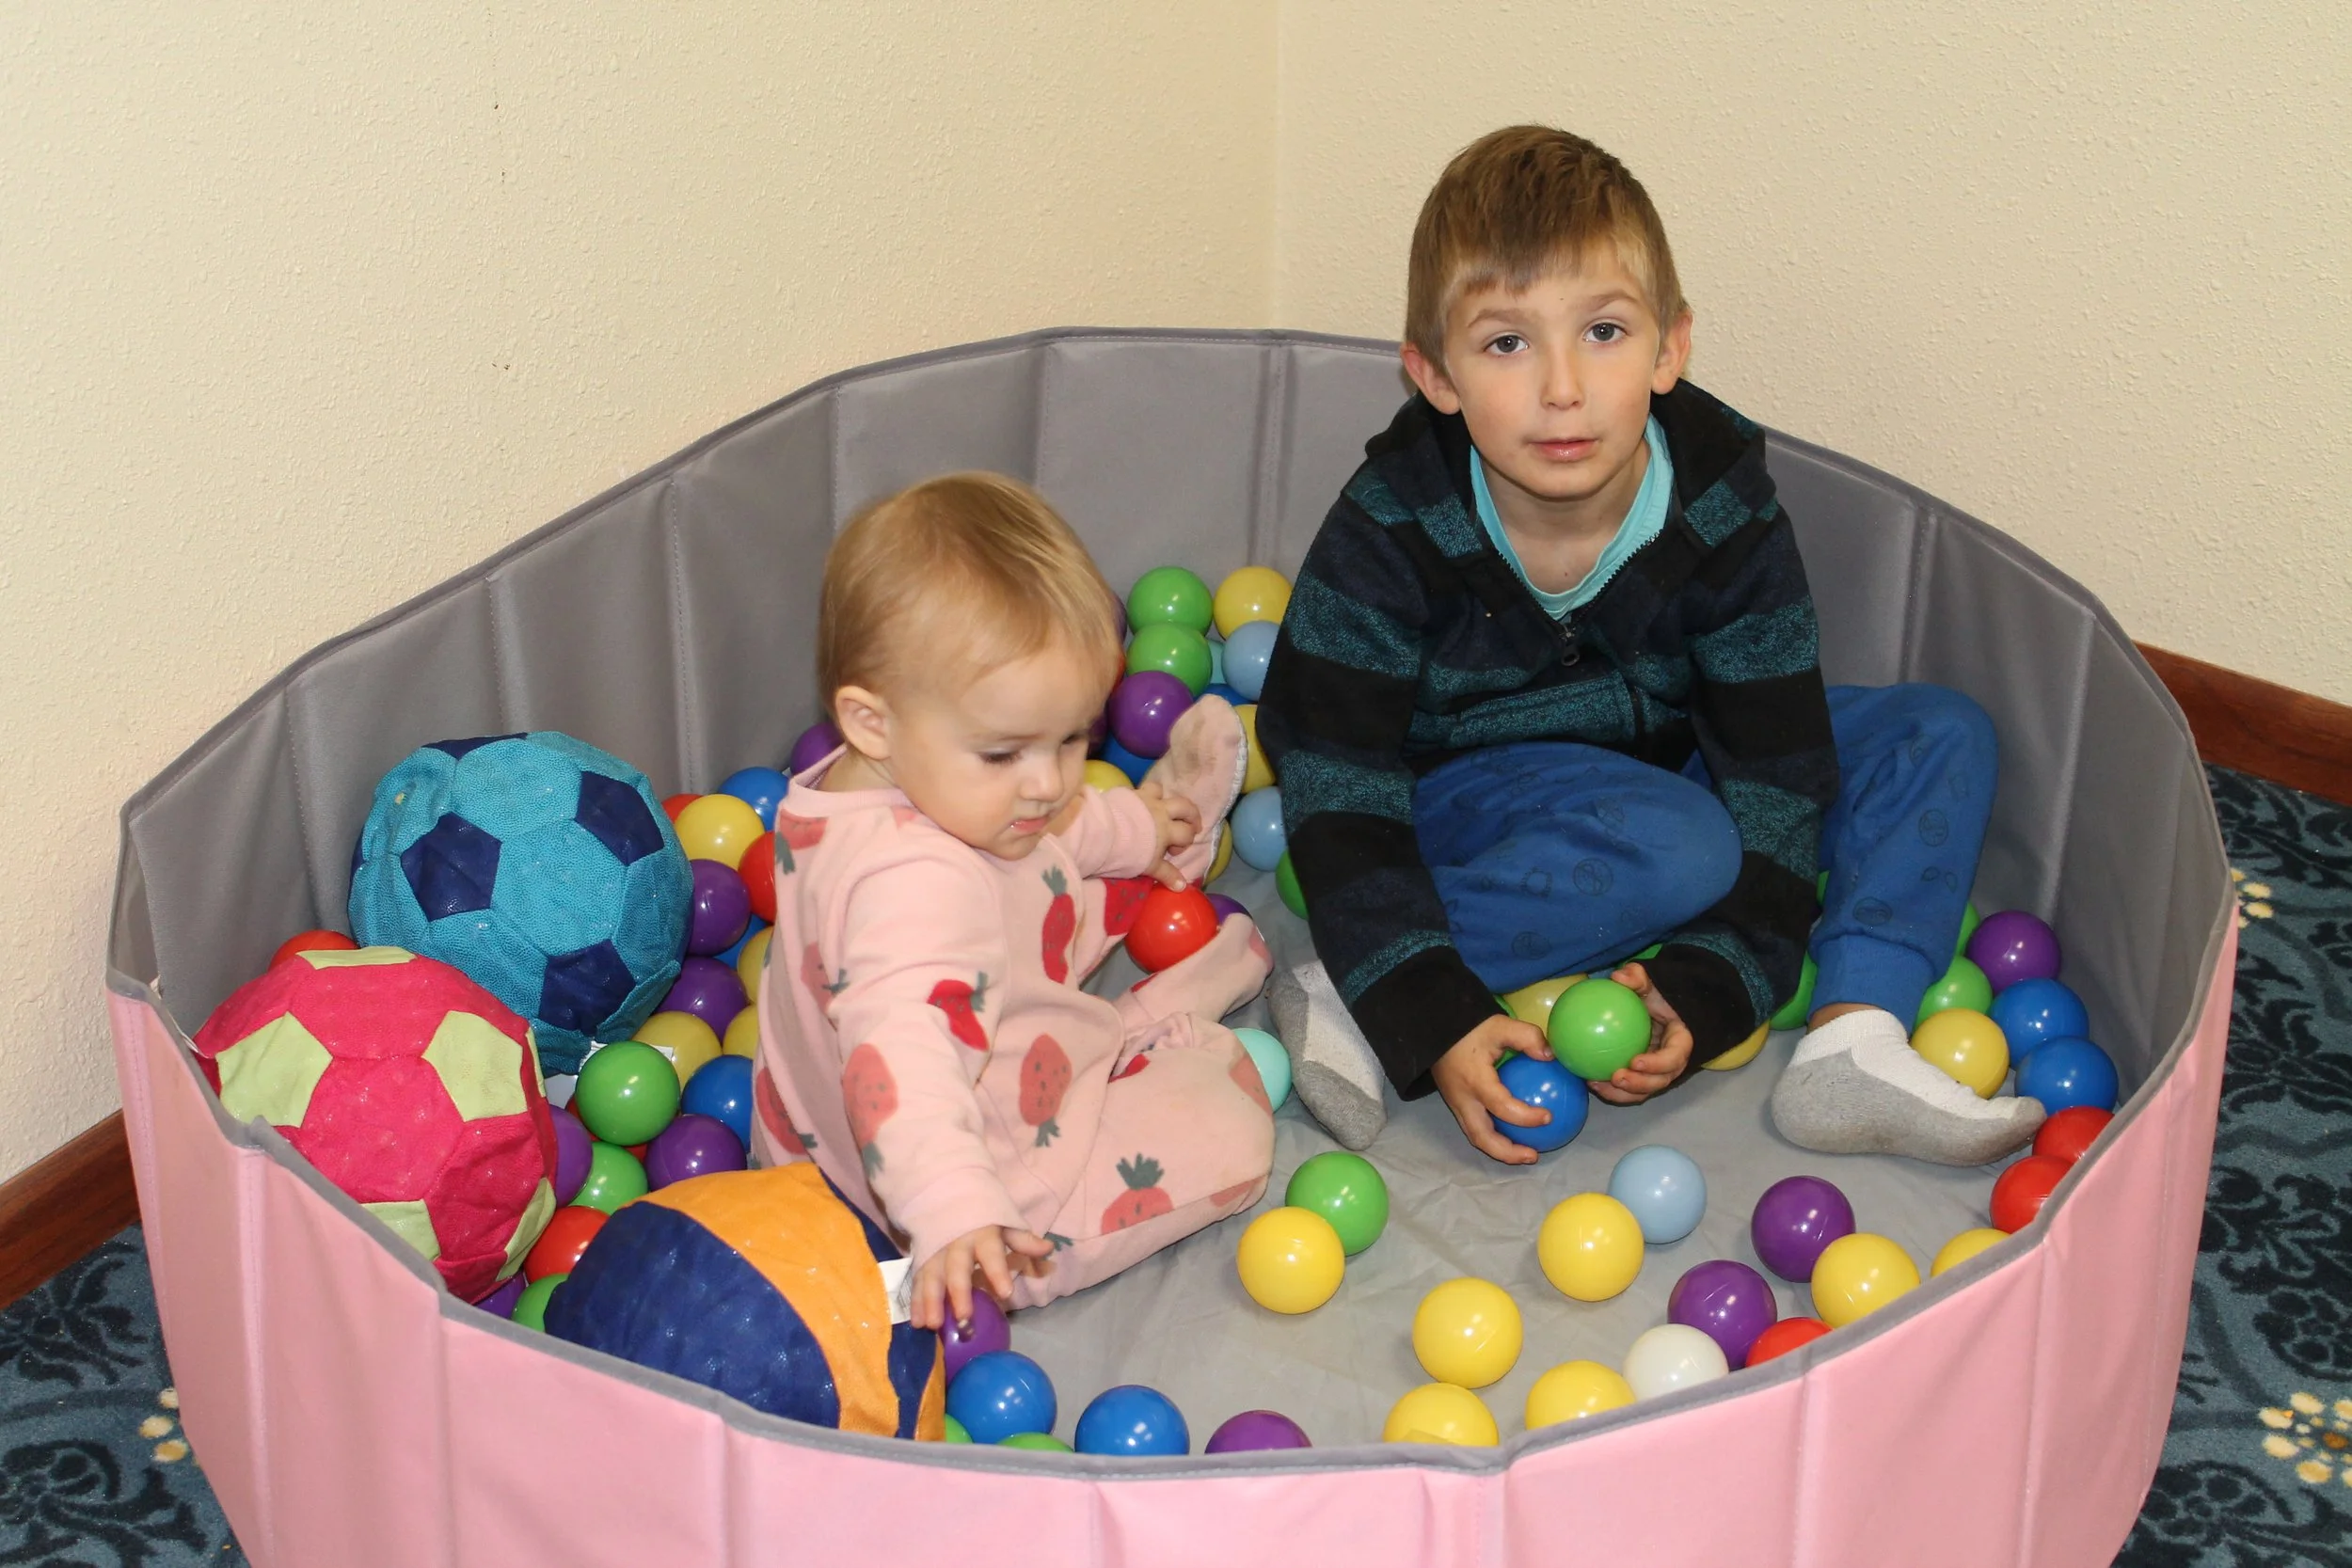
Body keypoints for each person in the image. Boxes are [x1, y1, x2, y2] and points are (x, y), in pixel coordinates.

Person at [1258, 125, 2042, 1166]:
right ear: (1433, 376)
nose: (1562, 388)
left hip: (1677, 755)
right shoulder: (1392, 523)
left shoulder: (1723, 505)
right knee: (1681, 844)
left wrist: (1719, 977)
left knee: (1939, 732)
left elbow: (1775, 759)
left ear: (1670, 347)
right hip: (1464, 794)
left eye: (1605, 332)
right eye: (1505, 343)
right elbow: (1331, 765)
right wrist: (1424, 1003)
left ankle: (1853, 1035)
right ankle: (1355, 986)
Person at [754, 472, 1275, 1331]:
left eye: (1074, 737)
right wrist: (955, 1209)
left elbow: (1043, 829)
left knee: (1035, 848)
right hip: (972, 1184)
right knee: (1229, 1131)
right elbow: (901, 1050)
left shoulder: (861, 791)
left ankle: (1152, 846)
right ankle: (1143, 1035)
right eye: (1005, 751)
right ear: (871, 721)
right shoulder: (915, 892)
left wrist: (1134, 828)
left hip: (809, 1141)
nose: (1046, 778)